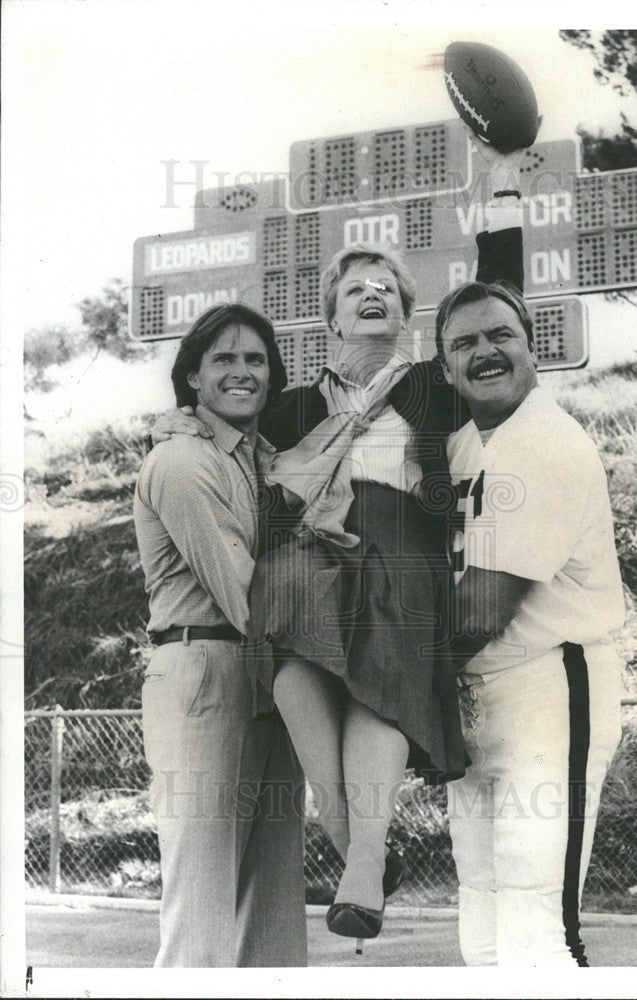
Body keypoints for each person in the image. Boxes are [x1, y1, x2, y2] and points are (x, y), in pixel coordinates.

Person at [151, 143, 526, 947]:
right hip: (312, 562)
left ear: (406, 317)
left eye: (386, 291)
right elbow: (221, 430)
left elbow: (501, 309)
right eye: (355, 289)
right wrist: (178, 419)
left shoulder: (431, 386)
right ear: (328, 319)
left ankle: (363, 860)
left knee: (379, 673)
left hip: (400, 554)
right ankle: (348, 830)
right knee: (283, 632)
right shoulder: (289, 409)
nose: (370, 296)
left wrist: (499, 201)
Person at [435, 273, 625, 967]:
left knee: (535, 916)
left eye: (500, 335)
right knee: (480, 908)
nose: (484, 352)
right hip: (471, 689)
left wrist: (399, 689)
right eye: (464, 343)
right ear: (445, 366)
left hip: (548, 681)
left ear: (532, 347)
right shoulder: (460, 450)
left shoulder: (542, 437)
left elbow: (483, 603)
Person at [133, 303, 307, 967]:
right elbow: (246, 592)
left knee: (272, 908)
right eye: (224, 360)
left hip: (271, 673)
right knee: (202, 902)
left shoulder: (267, 460)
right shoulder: (181, 461)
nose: (242, 372)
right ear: (194, 379)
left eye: (255, 359)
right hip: (204, 664)